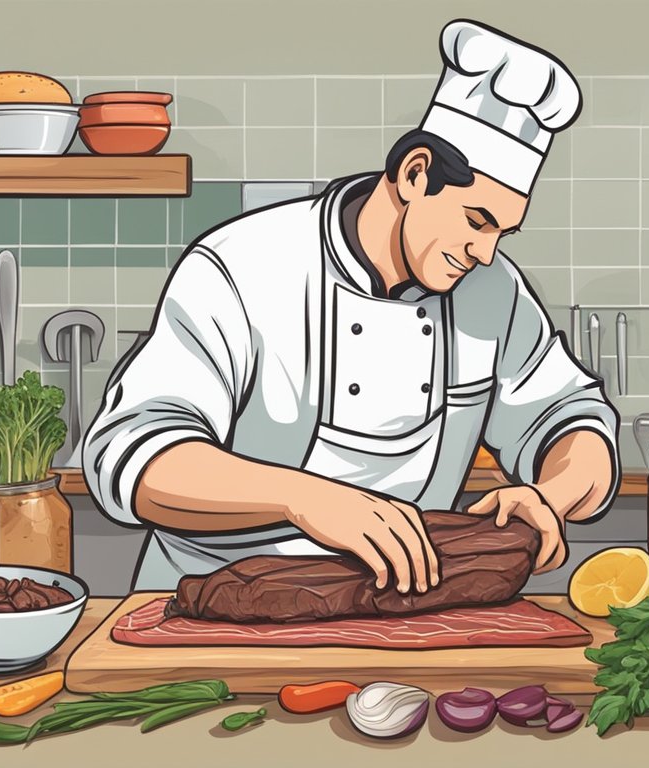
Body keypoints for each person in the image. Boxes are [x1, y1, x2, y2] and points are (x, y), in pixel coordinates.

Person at [83, 19, 620, 592]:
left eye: (501, 234)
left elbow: (573, 420)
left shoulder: (492, 293)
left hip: (394, 612)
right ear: (415, 174)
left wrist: (549, 495)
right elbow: (139, 459)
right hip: (210, 605)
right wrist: (303, 499)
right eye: (475, 221)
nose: (485, 254)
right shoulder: (242, 267)